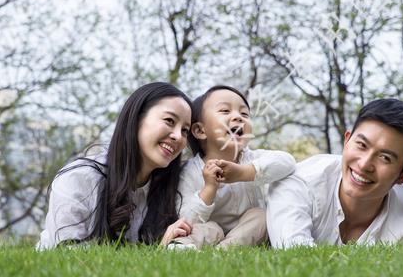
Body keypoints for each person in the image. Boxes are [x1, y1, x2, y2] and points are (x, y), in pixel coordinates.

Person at [267, 98, 403, 247]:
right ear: (347, 140)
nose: (364, 164)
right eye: (361, 145)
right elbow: (295, 255)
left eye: (385, 157)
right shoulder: (301, 181)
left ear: (401, 174)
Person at [37, 82, 194, 249]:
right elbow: (69, 258)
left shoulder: (169, 188)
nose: (178, 136)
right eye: (169, 120)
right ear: (136, 119)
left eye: (185, 130)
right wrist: (159, 250)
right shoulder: (79, 179)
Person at [169, 85, 297, 249]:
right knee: (207, 229)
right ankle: (180, 249)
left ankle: (223, 252)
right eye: (225, 111)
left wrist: (245, 172)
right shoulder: (189, 171)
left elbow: (287, 161)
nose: (238, 117)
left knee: (261, 217)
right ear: (200, 130)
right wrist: (208, 189)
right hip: (209, 231)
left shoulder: (252, 159)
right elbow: (185, 217)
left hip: (248, 232)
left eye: (244, 114)